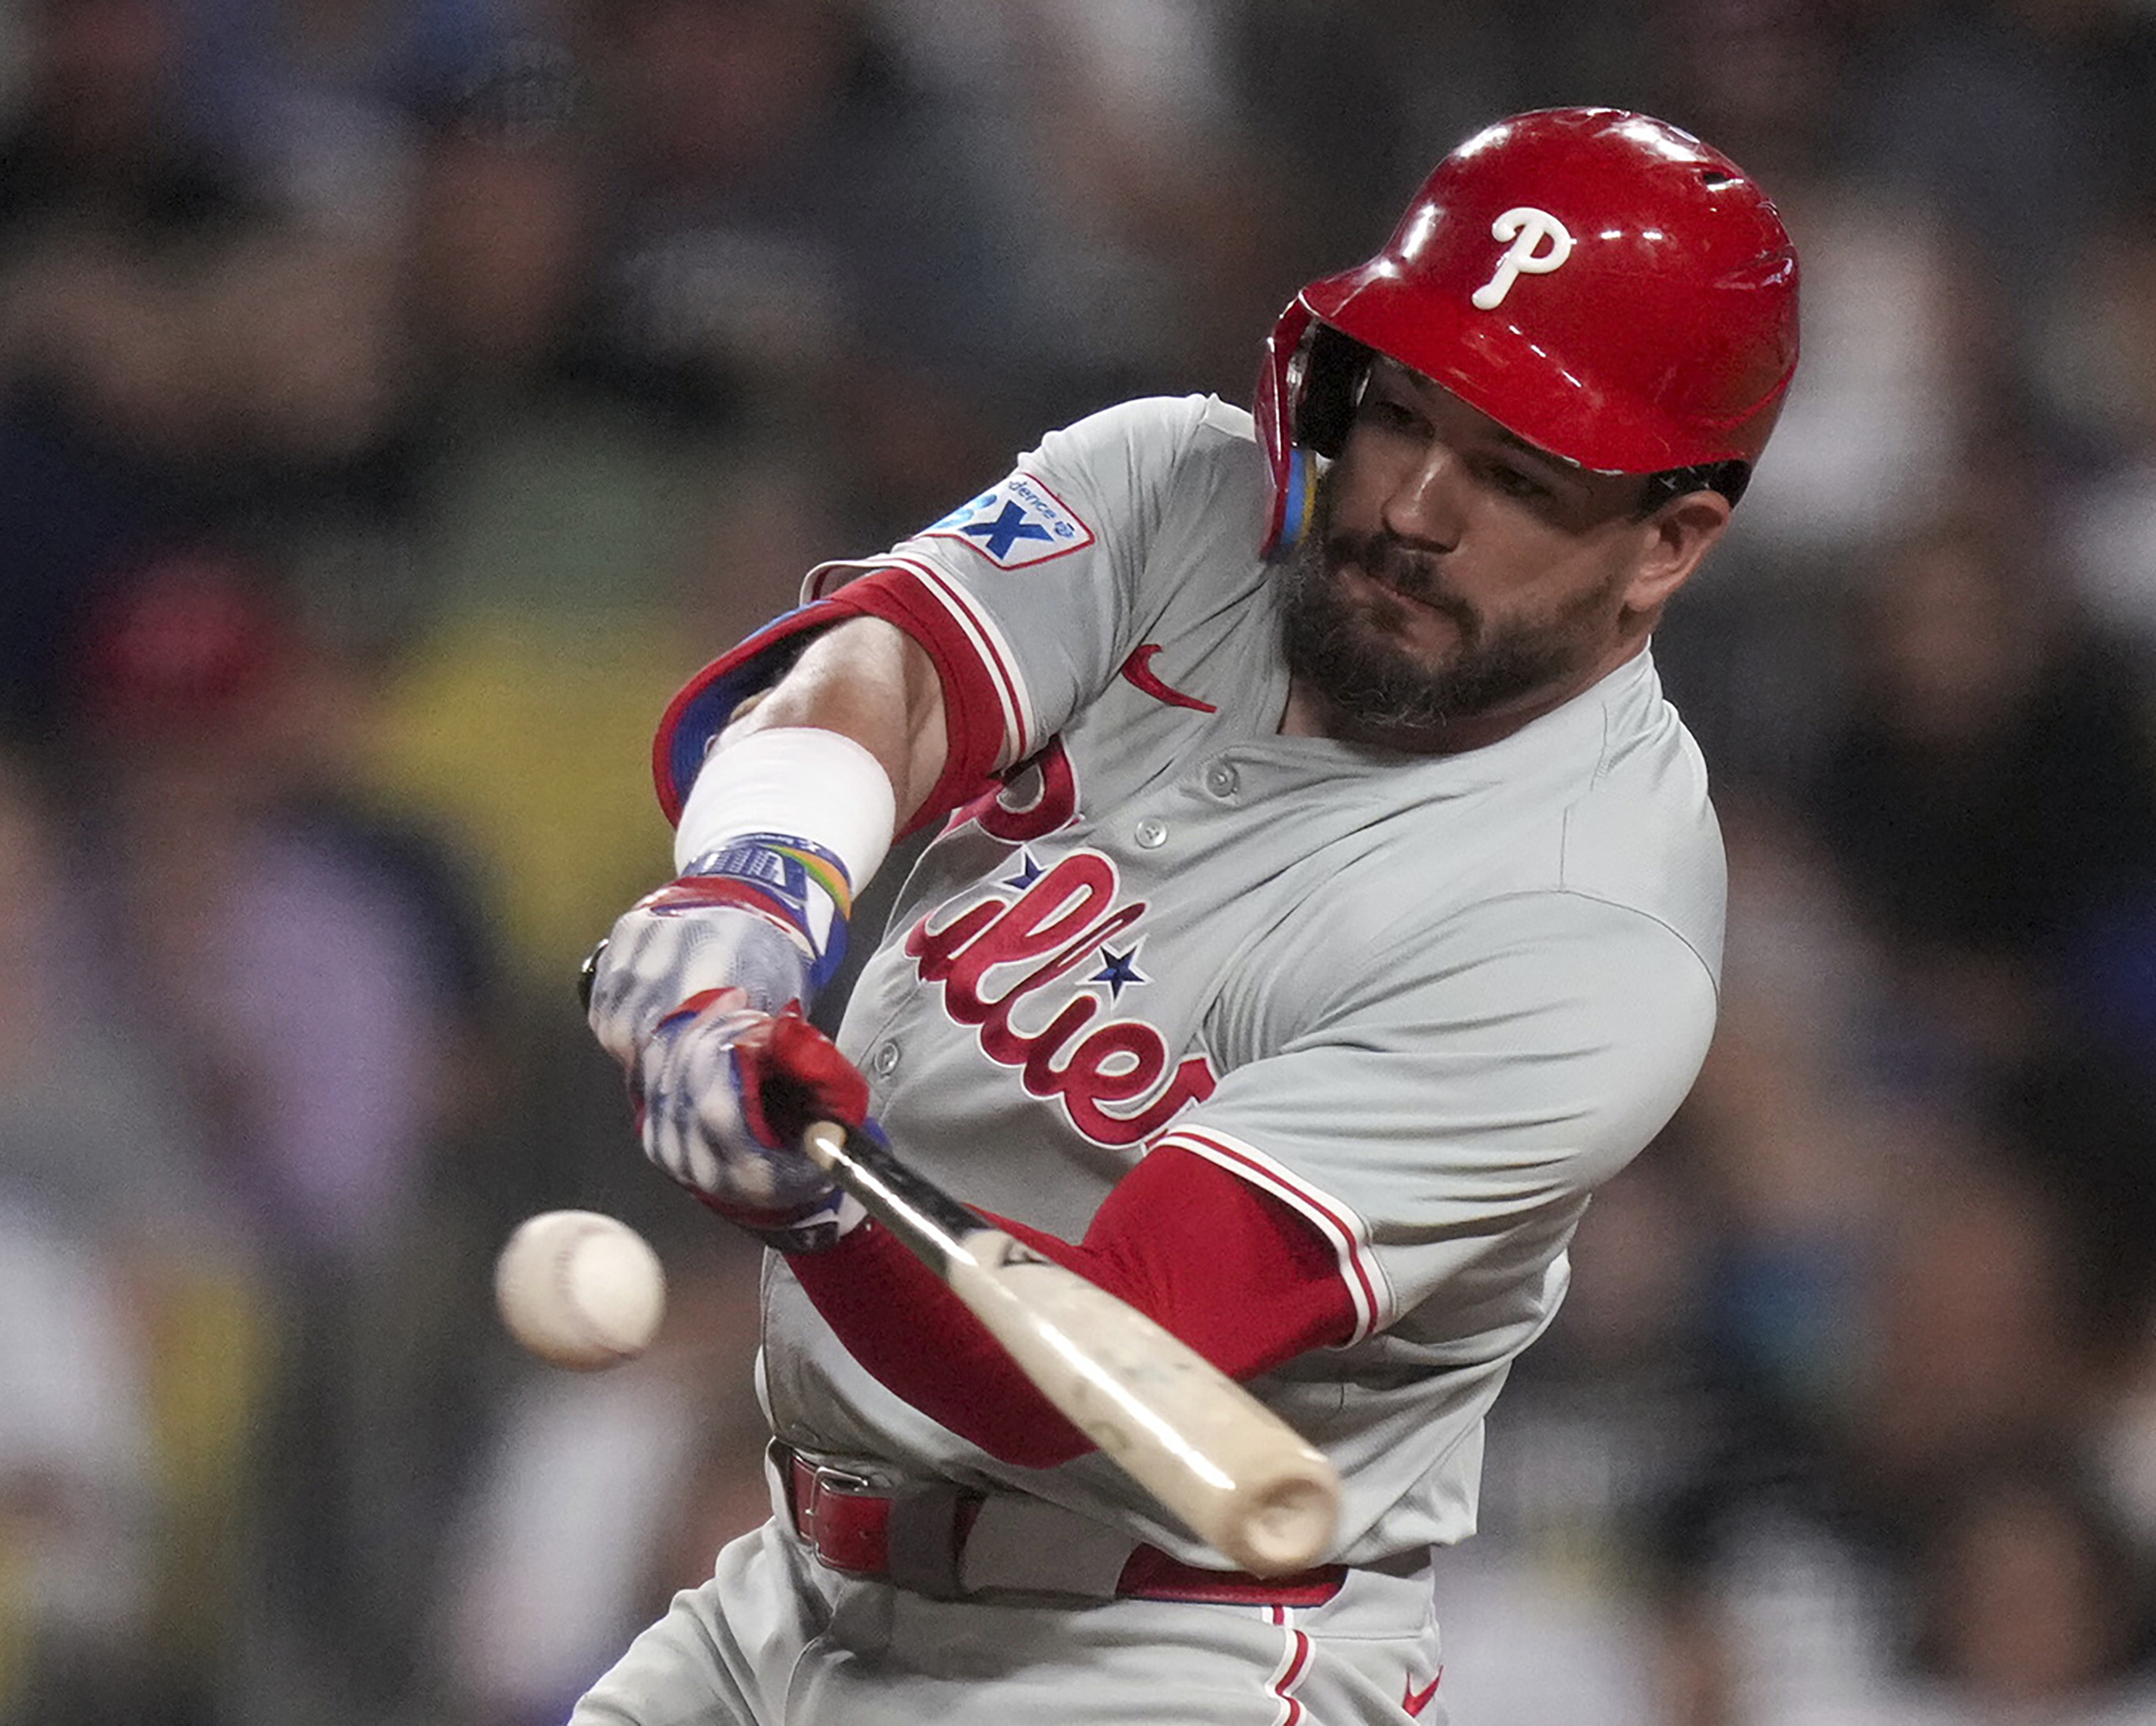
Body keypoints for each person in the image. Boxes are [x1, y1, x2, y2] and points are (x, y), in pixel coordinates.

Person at [577, 107, 1801, 1725]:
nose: (1415, 508)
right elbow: (887, 667)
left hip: (1162, 1649)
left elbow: (1104, 1357)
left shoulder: (1588, 927)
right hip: (793, 1583)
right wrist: (753, 890)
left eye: (1512, 477)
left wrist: (816, 1200)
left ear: (1668, 543)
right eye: (1404, 415)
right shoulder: (1179, 491)